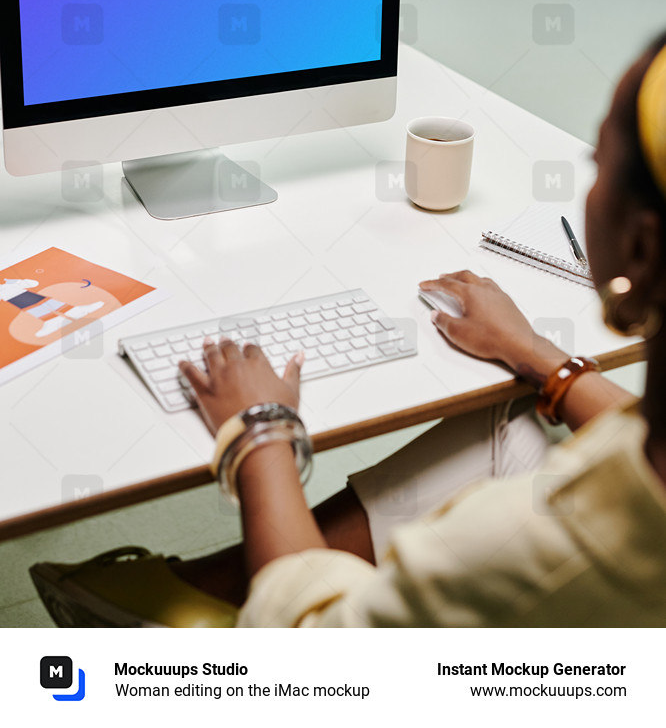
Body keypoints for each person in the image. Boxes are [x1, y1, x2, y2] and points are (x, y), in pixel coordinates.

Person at [31, 33, 666, 627]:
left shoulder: (571, 550)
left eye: (597, 161)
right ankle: (204, 587)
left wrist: (260, 431)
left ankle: (202, 619)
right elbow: (639, 432)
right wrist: (536, 353)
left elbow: (321, 649)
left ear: (640, 246)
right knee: (511, 420)